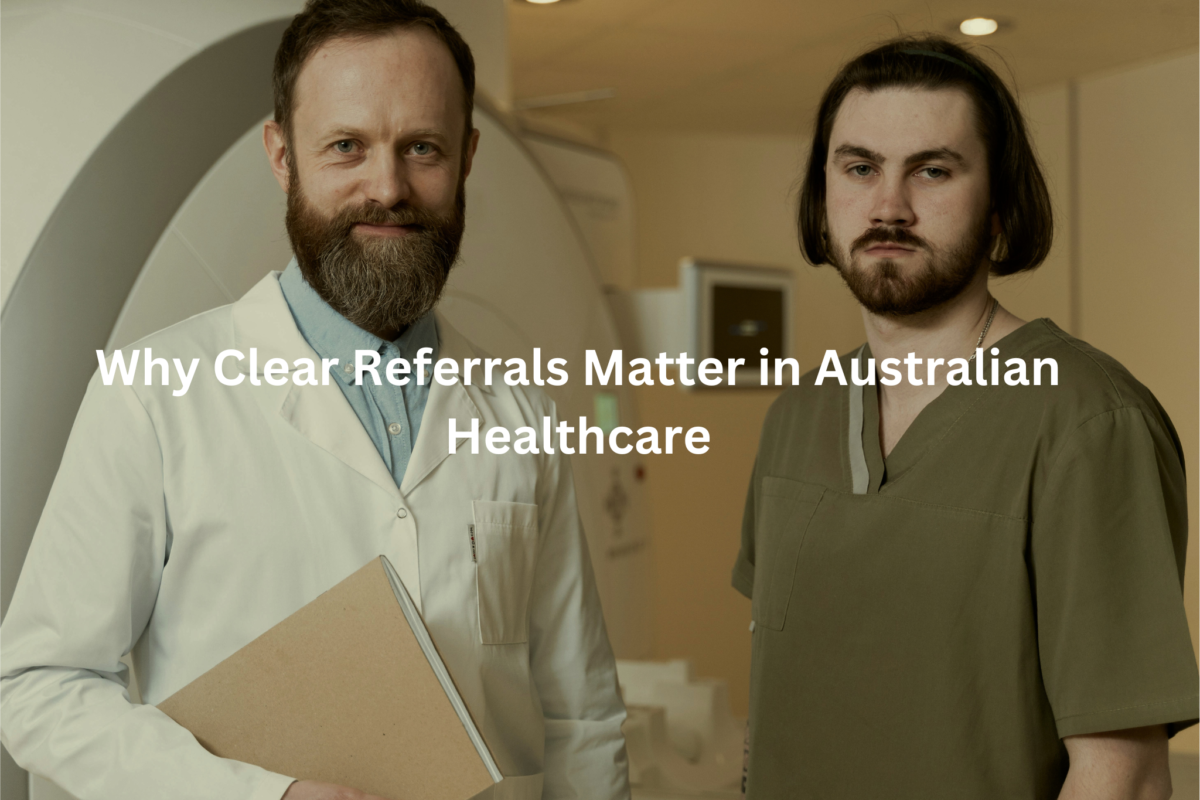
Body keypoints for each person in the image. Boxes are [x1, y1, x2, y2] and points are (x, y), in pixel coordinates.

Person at [0, 2, 630, 799]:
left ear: (467, 157)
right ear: (281, 156)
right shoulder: (153, 397)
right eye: (346, 147)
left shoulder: (519, 415)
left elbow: (581, 714)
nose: (388, 186)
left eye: (422, 148)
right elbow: (39, 685)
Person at [733, 35, 1198, 799]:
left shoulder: (1086, 422)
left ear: (999, 204)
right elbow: (780, 697)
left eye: (933, 170)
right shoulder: (797, 415)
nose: (889, 206)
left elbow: (1125, 774)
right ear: (824, 199)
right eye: (859, 168)